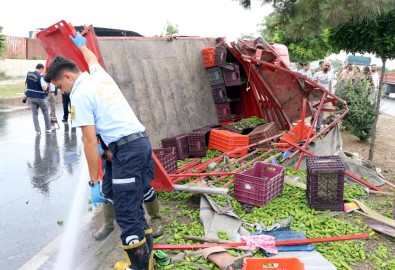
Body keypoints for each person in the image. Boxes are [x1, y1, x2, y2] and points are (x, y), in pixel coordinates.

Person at [45, 32, 153, 269]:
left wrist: (94, 182)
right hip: (140, 144)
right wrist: (82, 46)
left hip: (127, 152)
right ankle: (148, 262)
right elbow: (92, 60)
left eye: (60, 86)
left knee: (125, 214)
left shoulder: (80, 94)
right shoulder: (98, 76)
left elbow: (89, 141)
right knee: (133, 207)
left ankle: (140, 267)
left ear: (66, 76)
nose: (62, 91)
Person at [94, 135, 164, 242]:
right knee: (108, 190)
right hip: (110, 152)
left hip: (131, 152)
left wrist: (101, 153)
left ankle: (155, 218)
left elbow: (115, 156)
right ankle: (108, 225)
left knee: (144, 187)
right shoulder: (94, 125)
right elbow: (88, 140)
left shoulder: (125, 126)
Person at [25, 64, 56, 135]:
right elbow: (44, 88)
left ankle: (37, 131)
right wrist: (47, 85)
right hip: (40, 98)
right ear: (41, 69)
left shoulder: (28, 74)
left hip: (31, 97)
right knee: (45, 112)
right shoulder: (40, 77)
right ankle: (48, 129)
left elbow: (26, 83)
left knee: (34, 114)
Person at [312, 61, 335, 132]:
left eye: (328, 66)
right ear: (322, 65)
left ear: (330, 67)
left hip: (325, 95)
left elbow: (330, 85)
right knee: (314, 110)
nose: (327, 67)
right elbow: (313, 84)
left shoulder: (331, 75)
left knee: (321, 112)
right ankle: (312, 122)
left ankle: (318, 128)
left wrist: (331, 94)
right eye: (326, 65)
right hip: (317, 95)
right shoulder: (317, 74)